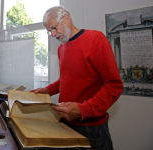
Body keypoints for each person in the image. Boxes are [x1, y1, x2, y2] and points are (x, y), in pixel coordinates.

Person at [30, 6, 123, 150]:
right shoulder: (61, 48)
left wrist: (82, 110)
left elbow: (113, 85)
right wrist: (47, 90)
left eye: (54, 28)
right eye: (50, 31)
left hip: (91, 128)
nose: (53, 34)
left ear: (66, 19)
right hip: (66, 122)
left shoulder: (95, 39)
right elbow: (66, 79)